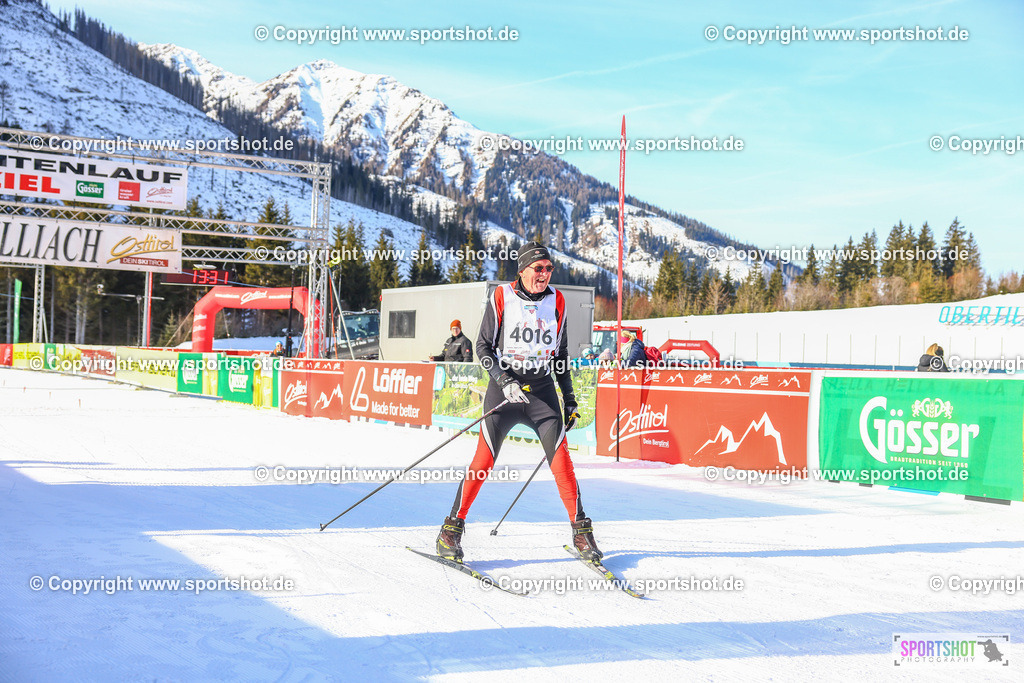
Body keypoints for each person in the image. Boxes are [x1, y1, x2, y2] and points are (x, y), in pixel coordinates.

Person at [436, 241, 602, 562]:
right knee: (483, 461)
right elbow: (483, 347)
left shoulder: (558, 301)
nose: (544, 274)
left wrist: (568, 399)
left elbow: (560, 355)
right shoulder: (502, 296)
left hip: (541, 391)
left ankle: (582, 533)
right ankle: (450, 531)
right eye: (538, 268)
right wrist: (504, 380)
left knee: (562, 462)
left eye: (549, 268)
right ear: (523, 269)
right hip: (505, 389)